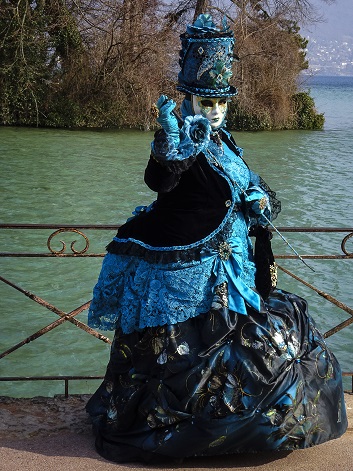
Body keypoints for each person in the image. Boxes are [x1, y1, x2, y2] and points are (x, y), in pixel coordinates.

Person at [86, 14, 347, 463]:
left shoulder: (226, 142)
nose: (217, 112)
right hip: (186, 271)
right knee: (181, 358)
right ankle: (192, 430)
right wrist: (170, 145)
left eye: (222, 104)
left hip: (235, 270)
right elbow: (160, 182)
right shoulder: (179, 139)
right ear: (188, 101)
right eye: (208, 103)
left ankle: (249, 425)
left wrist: (258, 200)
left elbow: (245, 188)